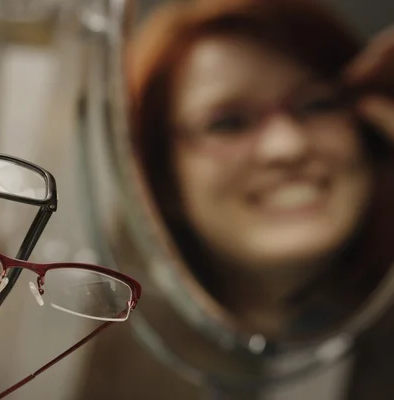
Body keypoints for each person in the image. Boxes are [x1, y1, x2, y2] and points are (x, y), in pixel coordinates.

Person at [77, 0, 394, 398]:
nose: (286, 146)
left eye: (317, 104)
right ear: (161, 178)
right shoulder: (89, 362)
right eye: (228, 122)